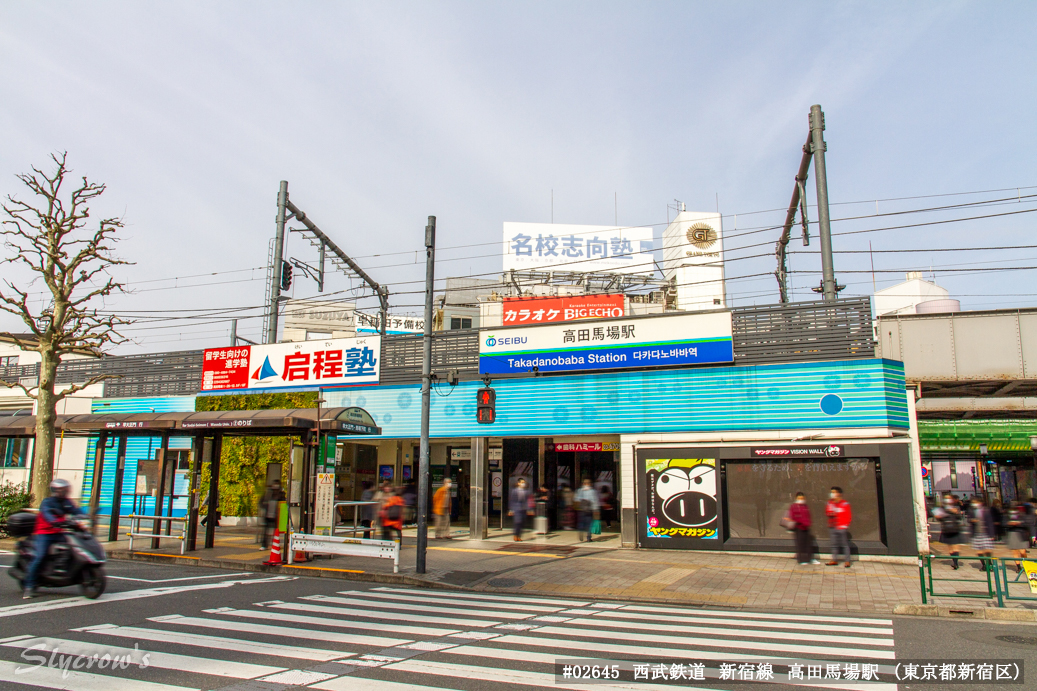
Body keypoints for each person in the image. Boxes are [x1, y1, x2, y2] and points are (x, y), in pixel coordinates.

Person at [24, 478, 84, 599]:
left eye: (65, 490)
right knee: (40, 556)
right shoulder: (47, 502)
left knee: (74, 547)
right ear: (55, 490)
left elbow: (76, 511)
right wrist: (54, 521)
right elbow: (46, 514)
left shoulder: (66, 502)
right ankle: (29, 586)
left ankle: (61, 569)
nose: (64, 492)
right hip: (44, 533)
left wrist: (86, 516)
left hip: (59, 532)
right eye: (62, 490)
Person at [825, 486, 853, 568]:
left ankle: (847, 561)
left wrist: (845, 525)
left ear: (839, 494)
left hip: (842, 527)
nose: (832, 494)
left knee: (845, 544)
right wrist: (831, 513)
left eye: (834, 492)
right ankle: (834, 560)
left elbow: (848, 516)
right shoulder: (830, 502)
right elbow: (827, 512)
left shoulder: (845, 503)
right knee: (834, 544)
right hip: (832, 526)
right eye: (831, 492)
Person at [789, 492, 818, 565]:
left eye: (802, 498)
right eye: (799, 498)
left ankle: (809, 558)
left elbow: (808, 515)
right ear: (796, 498)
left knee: (808, 544)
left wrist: (809, 523)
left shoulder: (805, 506)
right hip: (799, 528)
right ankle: (801, 560)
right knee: (800, 545)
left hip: (806, 528)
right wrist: (803, 522)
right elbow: (794, 517)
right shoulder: (794, 506)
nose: (801, 500)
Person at [937, 493, 964, 569]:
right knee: (951, 548)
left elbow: (959, 517)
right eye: (946, 498)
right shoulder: (942, 508)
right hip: (946, 529)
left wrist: (956, 512)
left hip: (955, 529)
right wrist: (939, 516)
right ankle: (954, 561)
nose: (947, 500)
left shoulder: (955, 507)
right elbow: (939, 519)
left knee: (956, 547)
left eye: (949, 498)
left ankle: (956, 563)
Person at [970, 495, 996, 571]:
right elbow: (969, 520)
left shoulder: (986, 510)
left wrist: (992, 534)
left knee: (988, 550)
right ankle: (983, 565)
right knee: (979, 551)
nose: (974, 504)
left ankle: (989, 564)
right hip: (976, 533)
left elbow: (990, 523)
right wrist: (972, 520)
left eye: (976, 502)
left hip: (985, 533)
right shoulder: (972, 511)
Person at [1005, 500, 1030, 573]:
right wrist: (1009, 523)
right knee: (1015, 551)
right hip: (1012, 534)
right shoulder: (1007, 515)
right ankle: (1018, 567)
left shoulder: (1022, 514)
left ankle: (1026, 564)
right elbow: (1003, 523)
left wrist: (1019, 523)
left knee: (1022, 551)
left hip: (1021, 534)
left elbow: (1027, 523)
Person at [260, 479, 285, 548]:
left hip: (276, 516)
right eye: (275, 484)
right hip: (268, 515)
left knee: (276, 531)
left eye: (277, 484)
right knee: (265, 531)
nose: (275, 486)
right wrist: (264, 506)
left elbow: (284, 503)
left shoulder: (281, 494)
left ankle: (275, 544)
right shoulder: (268, 493)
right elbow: (262, 501)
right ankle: (264, 545)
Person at [574, 478, 600, 542]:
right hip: (589, 510)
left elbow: (576, 499)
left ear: (583, 484)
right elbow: (594, 500)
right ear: (590, 484)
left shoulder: (579, 490)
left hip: (581, 509)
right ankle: (588, 537)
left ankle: (581, 531)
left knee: (581, 522)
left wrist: (577, 507)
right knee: (589, 523)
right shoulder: (592, 491)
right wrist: (596, 509)